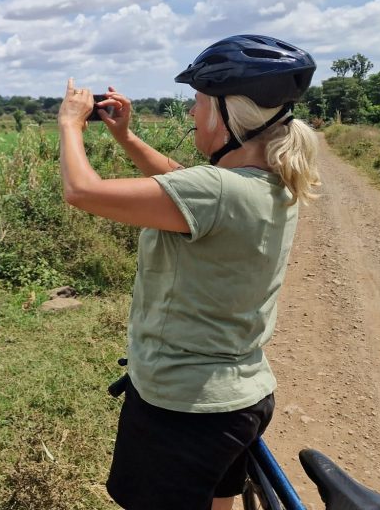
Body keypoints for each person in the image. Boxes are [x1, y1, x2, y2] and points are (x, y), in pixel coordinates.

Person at [57, 34, 321, 510]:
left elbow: (82, 191)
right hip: (241, 399)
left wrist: (70, 124)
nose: (193, 115)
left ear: (226, 116)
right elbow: (184, 183)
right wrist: (126, 137)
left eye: (199, 103)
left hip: (183, 409)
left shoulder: (216, 191)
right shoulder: (271, 182)